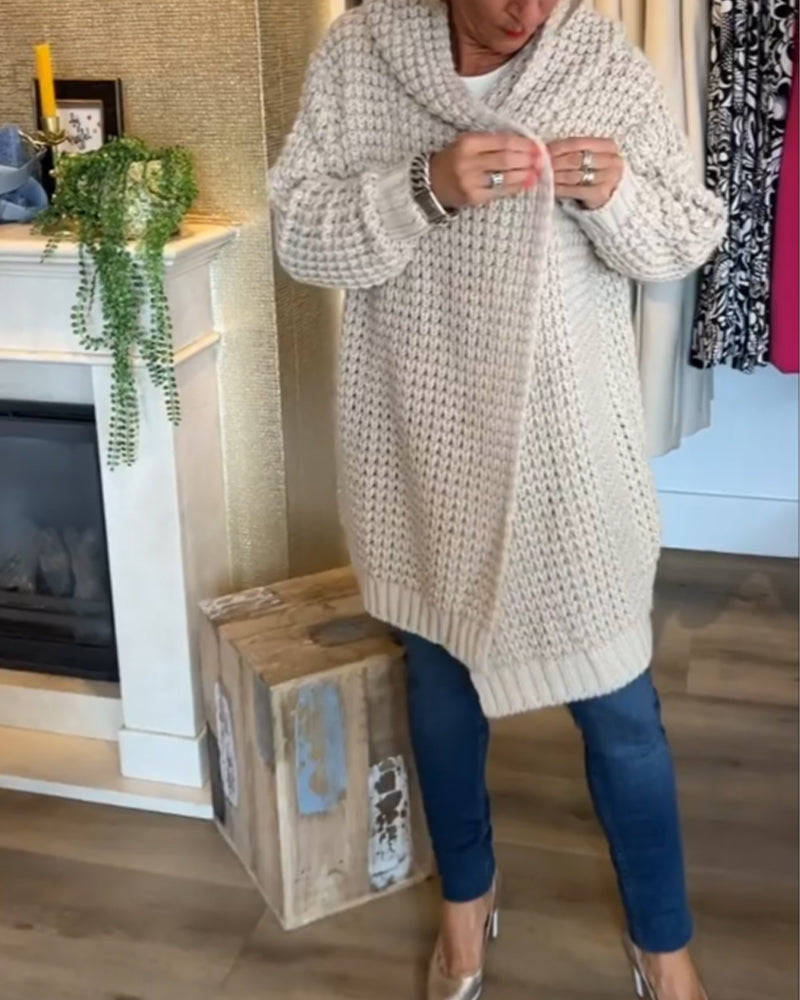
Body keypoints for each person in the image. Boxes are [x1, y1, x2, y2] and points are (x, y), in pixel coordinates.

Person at [269, 1, 726, 997]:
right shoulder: (360, 57)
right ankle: (465, 903)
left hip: (571, 458)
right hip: (422, 450)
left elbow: (686, 235)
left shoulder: (598, 59)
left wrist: (614, 195)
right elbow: (298, 235)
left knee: (621, 708)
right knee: (439, 691)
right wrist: (421, 187)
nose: (528, 11)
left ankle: (663, 941)